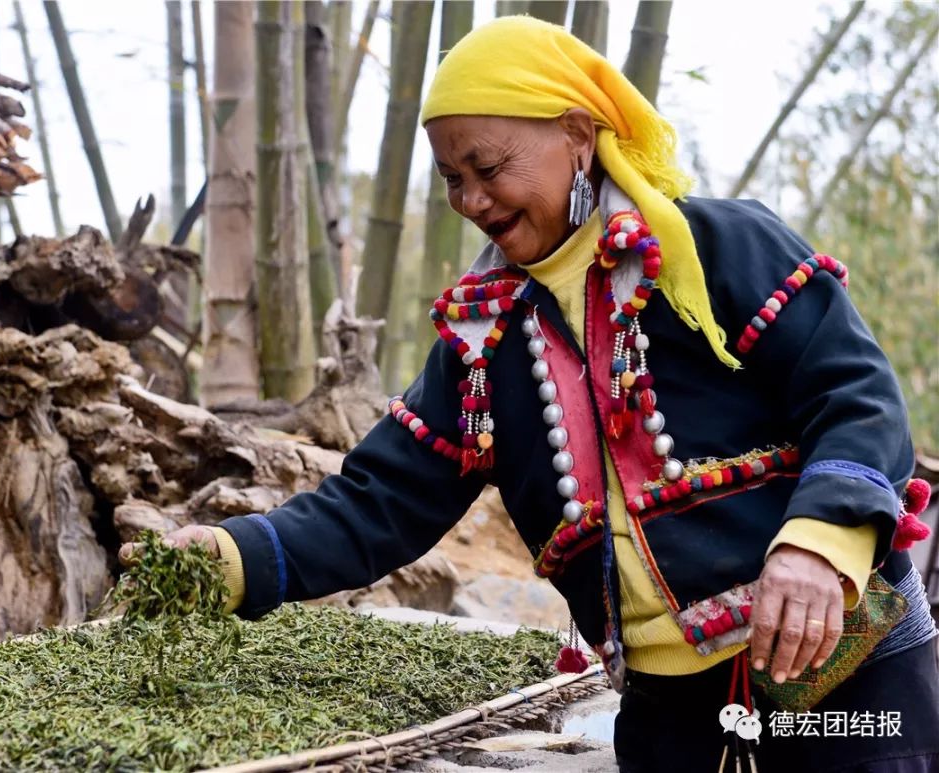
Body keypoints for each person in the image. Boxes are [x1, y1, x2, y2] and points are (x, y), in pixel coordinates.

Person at [120, 16, 938, 772]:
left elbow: (857, 394)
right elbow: (382, 500)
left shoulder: (716, 247)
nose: (472, 201)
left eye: (489, 168)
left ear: (578, 137)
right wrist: (232, 558)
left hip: (844, 683)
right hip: (673, 716)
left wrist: (816, 543)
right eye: (450, 179)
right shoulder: (483, 341)